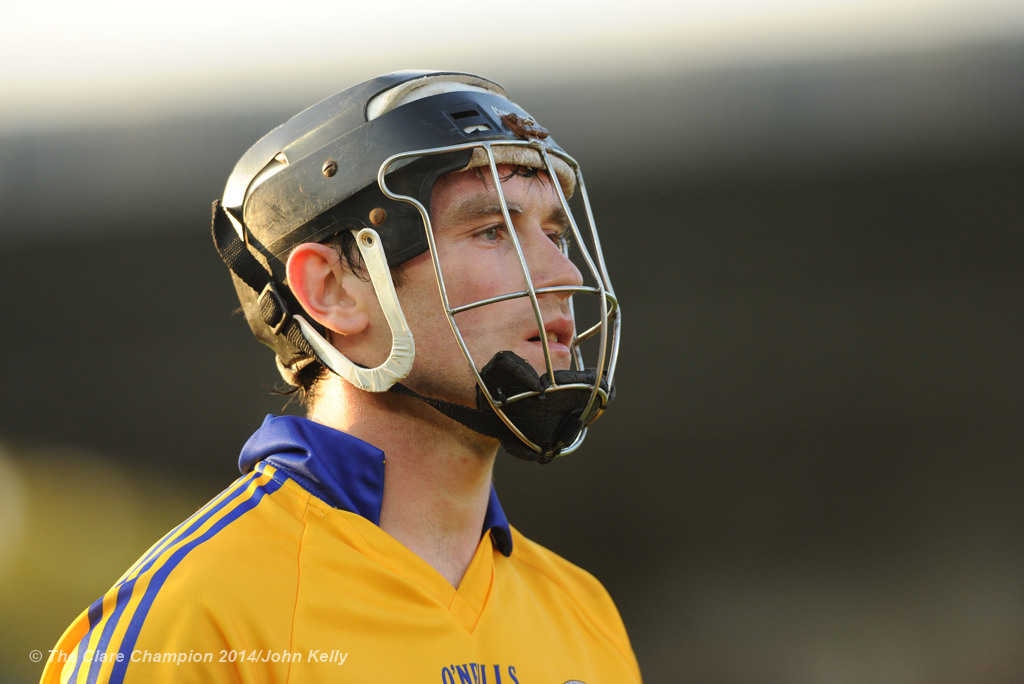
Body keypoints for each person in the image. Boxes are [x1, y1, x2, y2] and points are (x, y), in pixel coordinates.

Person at [42, 70, 640, 683]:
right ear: (332, 291)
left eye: (553, 233)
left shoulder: (584, 611)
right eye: (491, 231)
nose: (563, 273)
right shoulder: (194, 616)